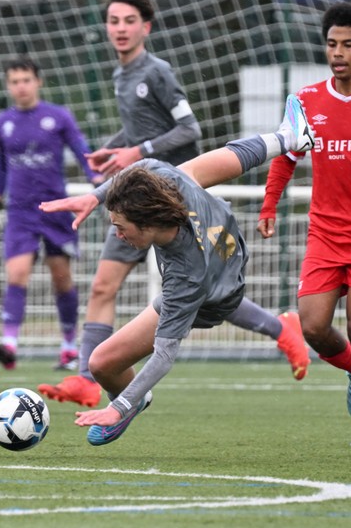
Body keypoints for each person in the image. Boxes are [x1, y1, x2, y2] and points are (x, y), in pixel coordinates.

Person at [40, 0, 285, 407]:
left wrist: (136, 152)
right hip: (134, 200)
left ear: (146, 28)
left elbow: (189, 130)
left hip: (170, 200)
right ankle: (87, 376)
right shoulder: (121, 75)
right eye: (113, 21)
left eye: (129, 21)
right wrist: (116, 147)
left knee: (206, 294)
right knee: (103, 286)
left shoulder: (157, 73)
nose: (120, 28)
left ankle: (282, 329)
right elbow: (141, 130)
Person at [38, 101, 315, 445]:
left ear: (147, 223)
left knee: (101, 363)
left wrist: (120, 406)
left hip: (215, 291)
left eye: (121, 228)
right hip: (226, 244)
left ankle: (136, 400)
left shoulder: (184, 279)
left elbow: (164, 356)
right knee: (188, 170)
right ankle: (287, 138)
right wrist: (95, 197)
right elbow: (143, 168)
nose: (117, 235)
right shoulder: (167, 183)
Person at [257, 3, 351, 447]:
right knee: (313, 326)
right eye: (331, 44)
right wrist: (269, 205)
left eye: (347, 45)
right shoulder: (305, 100)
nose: (337, 53)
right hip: (325, 233)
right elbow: (286, 154)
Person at [0, 58, 105, 370]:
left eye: (26, 80)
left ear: (38, 81)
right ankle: (9, 345)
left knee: (61, 278)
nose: (21, 87)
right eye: (15, 81)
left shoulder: (58, 116)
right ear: (8, 85)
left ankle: (68, 347)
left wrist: (96, 181)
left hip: (55, 208)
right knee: (16, 274)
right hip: (20, 211)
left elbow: (81, 149)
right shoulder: (3, 121)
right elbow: (1, 166)